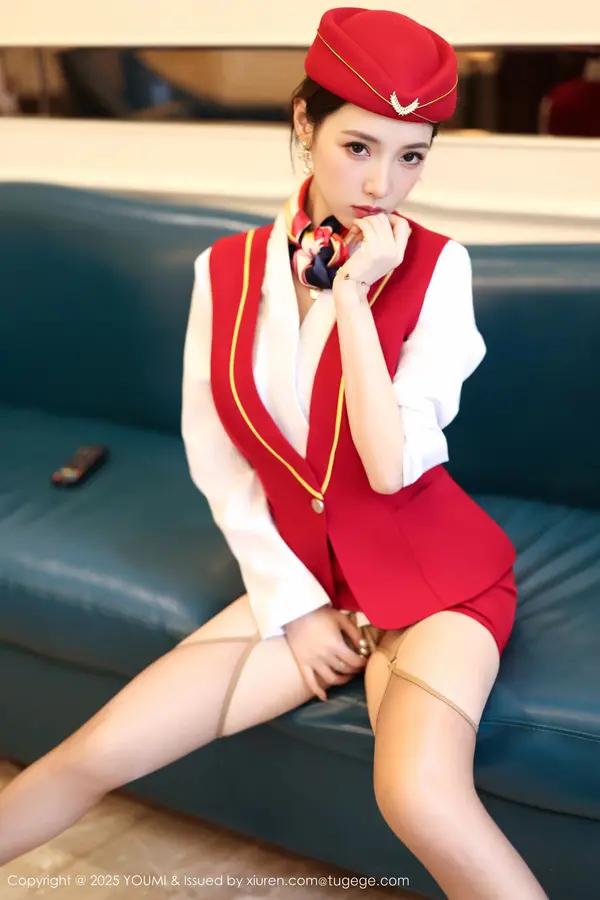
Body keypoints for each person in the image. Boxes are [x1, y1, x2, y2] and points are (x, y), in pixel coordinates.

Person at [0, 8, 548, 897]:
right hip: (309, 584)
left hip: (435, 586)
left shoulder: (441, 270)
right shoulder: (223, 271)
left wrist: (356, 302)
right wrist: (294, 606)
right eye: (358, 147)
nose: (383, 184)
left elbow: (388, 466)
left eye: (411, 157)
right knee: (93, 752)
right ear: (304, 124)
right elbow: (218, 456)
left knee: (420, 796)